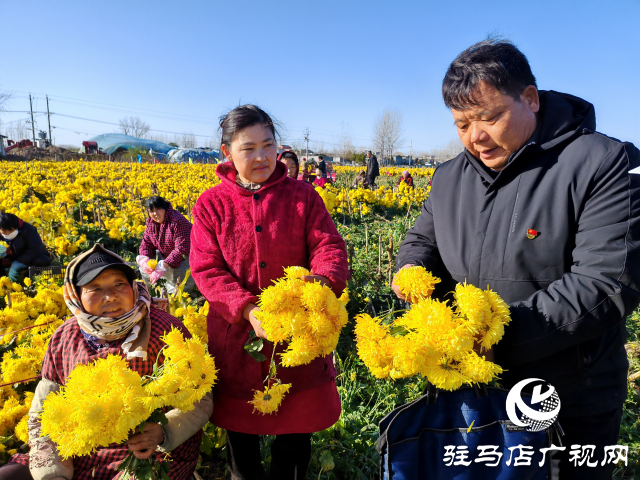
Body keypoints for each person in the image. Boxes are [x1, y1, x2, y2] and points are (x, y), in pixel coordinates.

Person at [393, 38, 640, 479]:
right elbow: (420, 242)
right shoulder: (450, 177)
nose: (476, 136)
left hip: (566, 391)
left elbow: (606, 284)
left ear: (530, 98)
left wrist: (492, 334)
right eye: (462, 123)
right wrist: (410, 270)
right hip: (468, 387)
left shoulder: (603, 163)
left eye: (490, 117)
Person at [190, 104, 347, 480]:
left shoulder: (303, 196)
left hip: (299, 336)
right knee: (241, 445)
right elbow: (206, 269)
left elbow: (330, 247)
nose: (261, 156)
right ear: (227, 152)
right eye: (248, 148)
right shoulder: (212, 204)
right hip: (237, 338)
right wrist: (247, 310)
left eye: (268, 145)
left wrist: (321, 282)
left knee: (294, 444)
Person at [1, 244, 212, 480]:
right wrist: (53, 473)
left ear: (133, 286)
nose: (110, 296)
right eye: (94, 288)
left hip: (149, 452)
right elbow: (43, 412)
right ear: (76, 295)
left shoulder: (165, 330)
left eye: (119, 284)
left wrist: (162, 431)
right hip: (79, 448)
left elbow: (201, 398)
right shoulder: (64, 337)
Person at [137, 196, 194, 295]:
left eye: (158, 209)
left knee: (178, 290)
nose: (155, 214)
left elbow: (182, 249)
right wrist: (144, 260)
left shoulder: (177, 221)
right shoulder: (151, 224)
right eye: (151, 211)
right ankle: (150, 292)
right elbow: (146, 244)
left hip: (187, 256)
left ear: (165, 209)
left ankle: (182, 296)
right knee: (144, 267)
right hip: (167, 254)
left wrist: (162, 266)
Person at [0, 212, 50, 282]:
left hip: (25, 259)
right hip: (6, 261)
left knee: (42, 260)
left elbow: (36, 249)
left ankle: (30, 280)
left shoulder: (29, 229)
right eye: (4, 233)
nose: (8, 235)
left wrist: (17, 262)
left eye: (11, 231)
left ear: (16, 226)